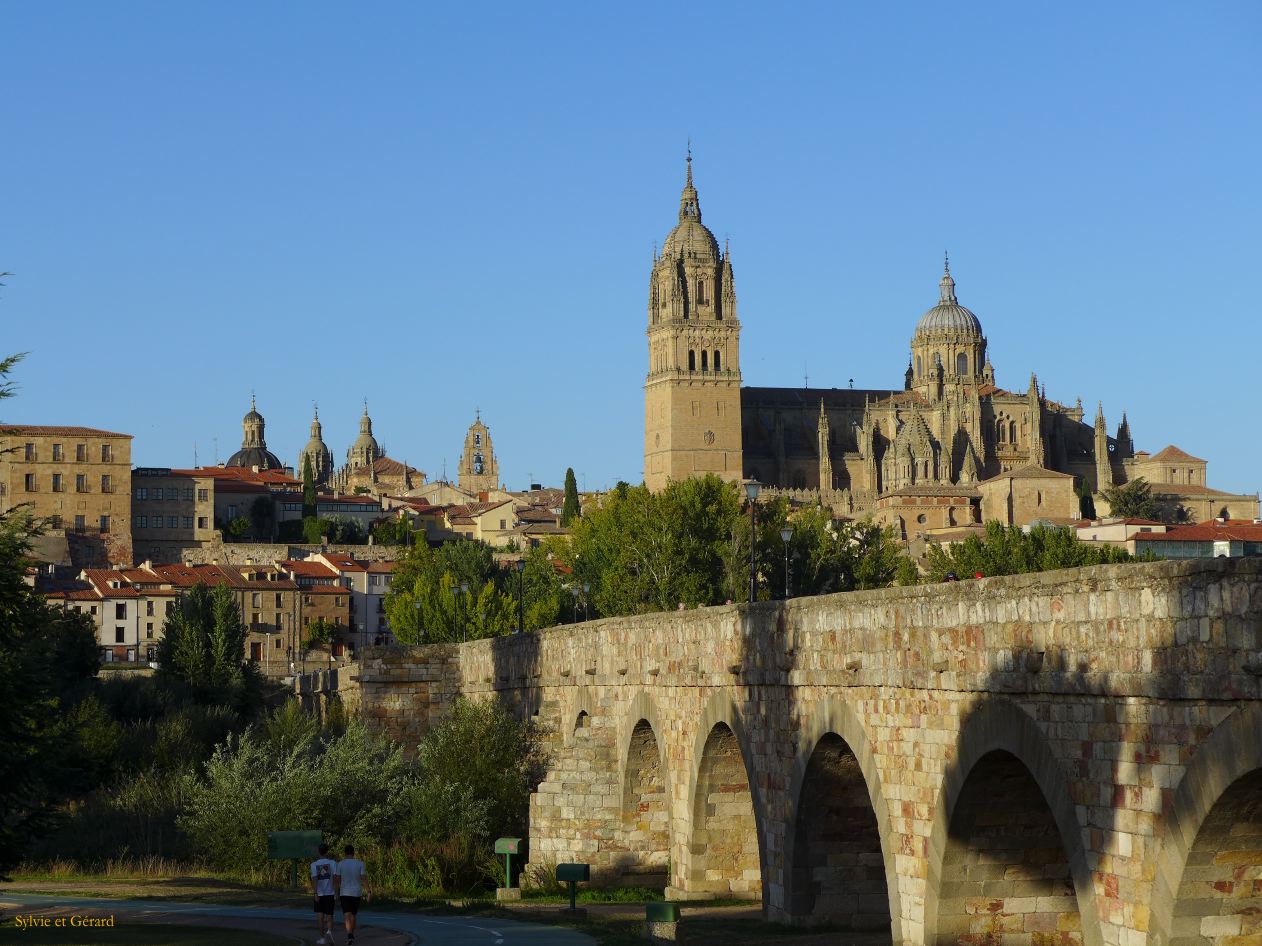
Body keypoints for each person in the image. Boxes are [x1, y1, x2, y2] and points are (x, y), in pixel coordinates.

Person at [336, 844, 371, 946]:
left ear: (345, 853)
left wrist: (336, 893)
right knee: (353, 915)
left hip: (344, 893)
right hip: (356, 893)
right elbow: (364, 878)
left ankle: (349, 935)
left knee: (347, 915)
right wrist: (368, 891)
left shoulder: (340, 864)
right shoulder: (360, 863)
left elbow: (337, 880)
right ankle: (352, 934)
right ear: (353, 853)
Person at [310, 843, 338, 945]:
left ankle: (322, 939)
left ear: (319, 852)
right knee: (329, 916)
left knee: (320, 917)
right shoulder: (333, 863)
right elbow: (335, 879)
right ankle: (329, 931)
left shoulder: (313, 865)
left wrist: (315, 893)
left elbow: (314, 880)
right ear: (327, 852)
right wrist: (336, 892)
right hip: (330, 893)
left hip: (319, 894)